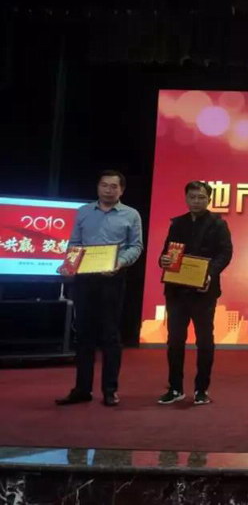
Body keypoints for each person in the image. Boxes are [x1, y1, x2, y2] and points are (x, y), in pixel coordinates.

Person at [56, 170, 143, 407]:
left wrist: (120, 262)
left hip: (113, 278)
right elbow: (75, 243)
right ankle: (82, 389)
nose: (108, 190)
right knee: (83, 334)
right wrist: (69, 265)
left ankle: (110, 390)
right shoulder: (83, 211)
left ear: (121, 190)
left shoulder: (131, 214)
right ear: (98, 187)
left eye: (114, 186)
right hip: (85, 278)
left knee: (110, 335)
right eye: (104, 185)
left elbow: (136, 246)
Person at [156, 181, 233, 406]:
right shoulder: (177, 223)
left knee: (205, 340)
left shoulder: (218, 224)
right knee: (175, 340)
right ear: (186, 198)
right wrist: (163, 260)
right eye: (192, 197)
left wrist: (210, 273)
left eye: (201, 197)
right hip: (176, 290)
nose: (196, 201)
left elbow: (225, 253)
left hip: (204, 289)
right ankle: (175, 388)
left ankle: (201, 389)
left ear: (209, 199)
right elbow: (166, 252)